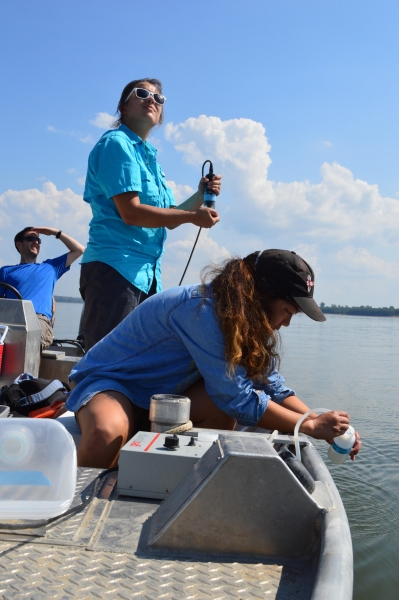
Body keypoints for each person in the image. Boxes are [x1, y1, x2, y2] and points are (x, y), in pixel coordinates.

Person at [66, 248, 362, 468]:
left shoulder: (250, 325)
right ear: (261, 295)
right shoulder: (200, 310)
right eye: (287, 310)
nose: (285, 323)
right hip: (114, 386)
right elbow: (237, 397)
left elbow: (274, 387)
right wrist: (309, 427)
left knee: (222, 408)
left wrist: (323, 425)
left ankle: (186, 479)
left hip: (164, 401)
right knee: (107, 433)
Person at [80, 77, 221, 350]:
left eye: (158, 98)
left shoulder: (149, 157)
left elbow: (167, 216)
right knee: (105, 365)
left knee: (131, 362)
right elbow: (132, 213)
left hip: (145, 276)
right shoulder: (116, 144)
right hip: (115, 269)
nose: (151, 100)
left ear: (161, 116)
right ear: (123, 106)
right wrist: (194, 217)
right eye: (142, 93)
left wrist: (200, 195)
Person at [0, 227, 84, 350]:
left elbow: (79, 250)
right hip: (12, 319)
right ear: (19, 245)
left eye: (38, 240)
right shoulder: (6, 271)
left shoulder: (51, 267)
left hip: (39, 319)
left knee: (30, 341)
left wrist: (56, 232)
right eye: (30, 238)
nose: (36, 242)